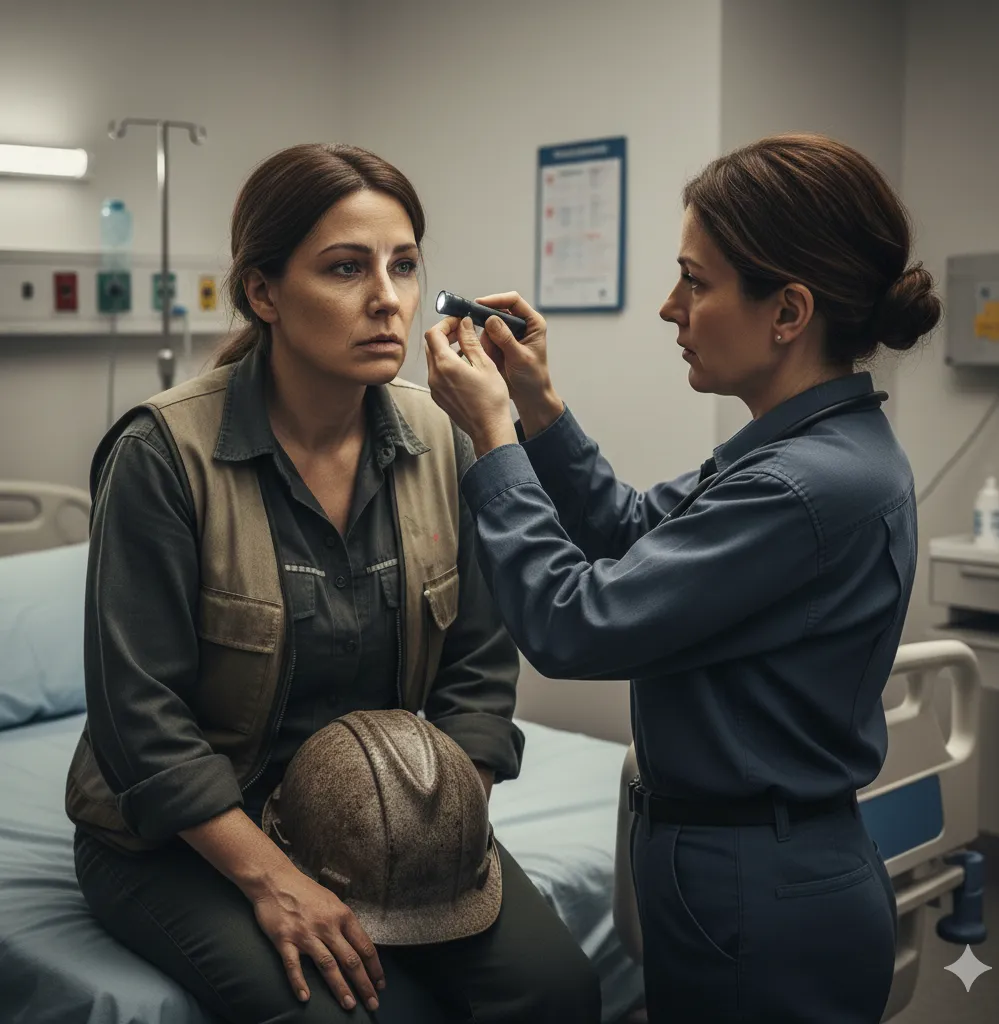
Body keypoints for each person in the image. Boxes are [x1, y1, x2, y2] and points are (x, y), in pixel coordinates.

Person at [66, 143, 601, 1024]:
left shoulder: (446, 436)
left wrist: (424, 831)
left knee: (556, 992)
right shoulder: (163, 457)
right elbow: (140, 724)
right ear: (263, 292)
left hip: (374, 819)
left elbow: (479, 671)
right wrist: (275, 881)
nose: (386, 297)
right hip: (185, 837)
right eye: (346, 268)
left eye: (402, 265)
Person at [424, 133, 942, 1023]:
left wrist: (494, 440)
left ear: (788, 312)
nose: (671, 308)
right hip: (742, 867)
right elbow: (634, 535)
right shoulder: (809, 450)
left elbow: (574, 623)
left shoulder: (803, 485)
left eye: (695, 283)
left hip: (757, 889)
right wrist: (542, 407)